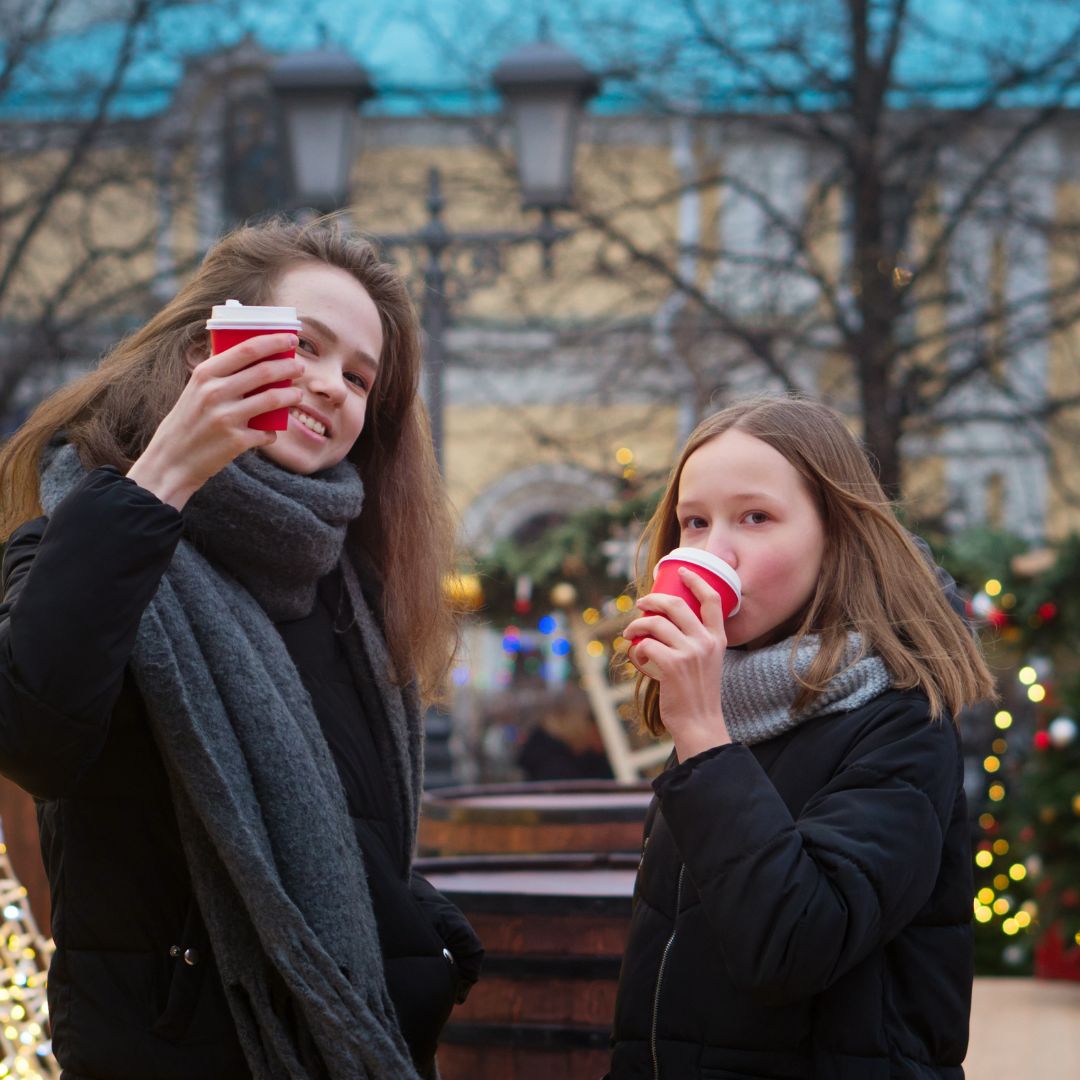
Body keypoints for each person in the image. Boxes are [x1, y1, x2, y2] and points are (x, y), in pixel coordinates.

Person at [0, 217, 483, 1080]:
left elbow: (338, 830)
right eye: (304, 345)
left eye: (360, 376)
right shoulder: (76, 536)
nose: (332, 385)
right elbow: (34, 735)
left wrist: (422, 933)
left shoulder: (347, 587)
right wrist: (161, 481)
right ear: (207, 350)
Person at [609, 396, 994, 1079]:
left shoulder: (902, 716)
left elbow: (793, 947)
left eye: (755, 517)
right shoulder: (731, 700)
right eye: (694, 522)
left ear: (837, 534)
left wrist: (702, 734)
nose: (712, 551)